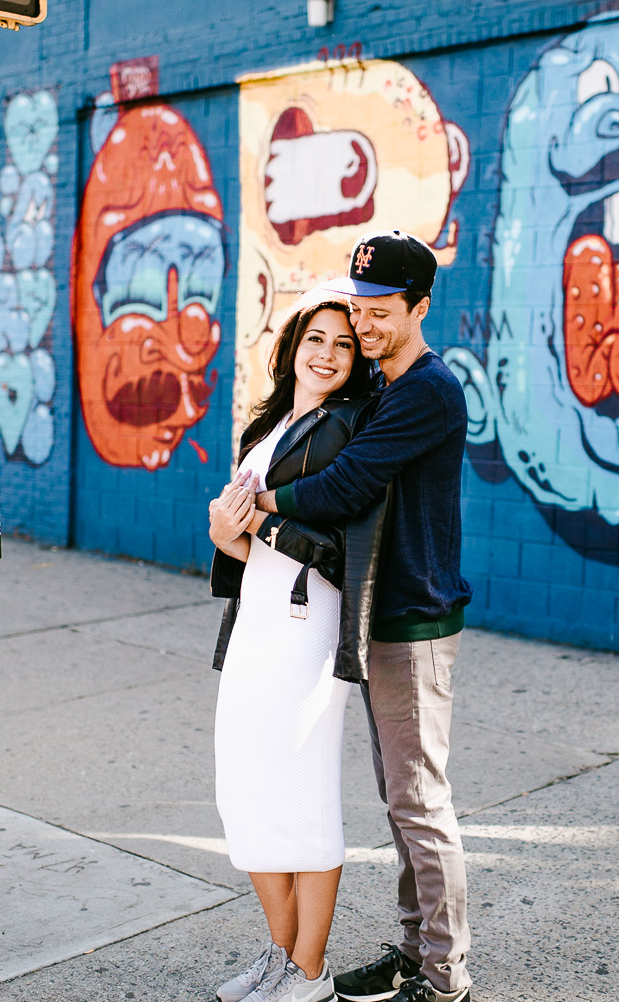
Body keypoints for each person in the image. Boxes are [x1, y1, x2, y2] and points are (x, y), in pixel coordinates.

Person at [255, 230, 474, 1002]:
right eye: (359, 306)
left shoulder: (428, 390)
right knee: (401, 800)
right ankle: (417, 951)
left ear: (418, 307)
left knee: (420, 802)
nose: (366, 322)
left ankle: (446, 977)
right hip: (383, 618)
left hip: (415, 622)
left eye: (381, 309)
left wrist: (263, 503)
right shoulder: (385, 386)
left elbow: (346, 484)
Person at [209, 290, 387, 1002]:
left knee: (302, 794)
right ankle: (281, 952)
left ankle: (307, 969)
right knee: (246, 790)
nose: (327, 354)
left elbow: (348, 542)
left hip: (309, 629)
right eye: (316, 338)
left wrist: (257, 529)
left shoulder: (347, 428)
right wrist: (228, 536)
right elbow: (244, 535)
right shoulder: (276, 420)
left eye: (343, 345)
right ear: (293, 345)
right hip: (259, 622)